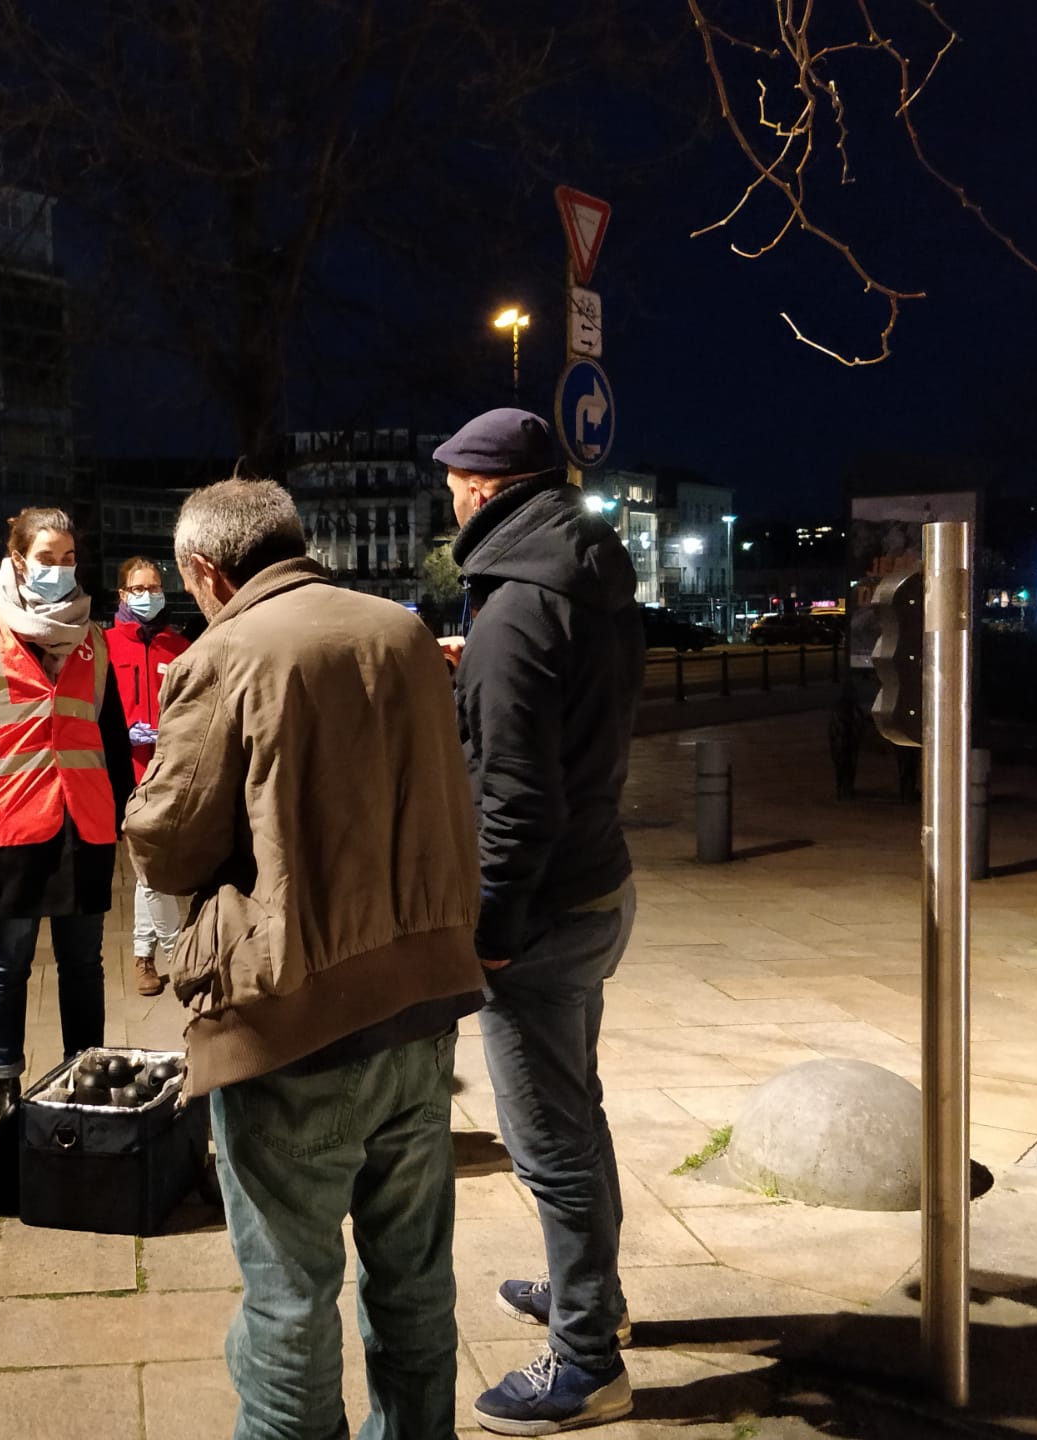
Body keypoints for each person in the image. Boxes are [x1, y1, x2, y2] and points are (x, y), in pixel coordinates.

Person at [126, 478, 483, 1440]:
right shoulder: (401, 631)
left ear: (206, 570)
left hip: (295, 1019)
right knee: (414, 1279)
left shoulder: (223, 654)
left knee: (289, 1294)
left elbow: (167, 843)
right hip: (423, 1001)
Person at [436, 410, 645, 1435]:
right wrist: (480, 673)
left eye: (451, 488)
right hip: (598, 884)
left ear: (482, 489)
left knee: (549, 1143)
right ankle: (586, 1293)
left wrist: (488, 930)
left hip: (541, 913)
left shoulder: (514, 615)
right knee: (576, 1113)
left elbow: (513, 801)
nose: (448, 503)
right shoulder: (588, 576)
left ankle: (586, 1361)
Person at [0, 506, 136, 1131]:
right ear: (18, 559)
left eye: (69, 558)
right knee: (7, 963)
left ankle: (86, 1071)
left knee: (84, 965)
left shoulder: (93, 638)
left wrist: (129, 811)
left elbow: (110, 734)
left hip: (85, 823)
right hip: (8, 825)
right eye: (47, 557)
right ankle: (6, 1086)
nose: (59, 568)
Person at [104, 555, 192, 998]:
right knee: (149, 868)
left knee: (151, 870)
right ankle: (179, 954)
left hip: (171, 773)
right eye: (139, 589)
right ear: (123, 594)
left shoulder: (179, 647)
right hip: (127, 775)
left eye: (154, 587)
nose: (148, 595)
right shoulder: (103, 646)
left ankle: (144, 956)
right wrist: (121, 734)